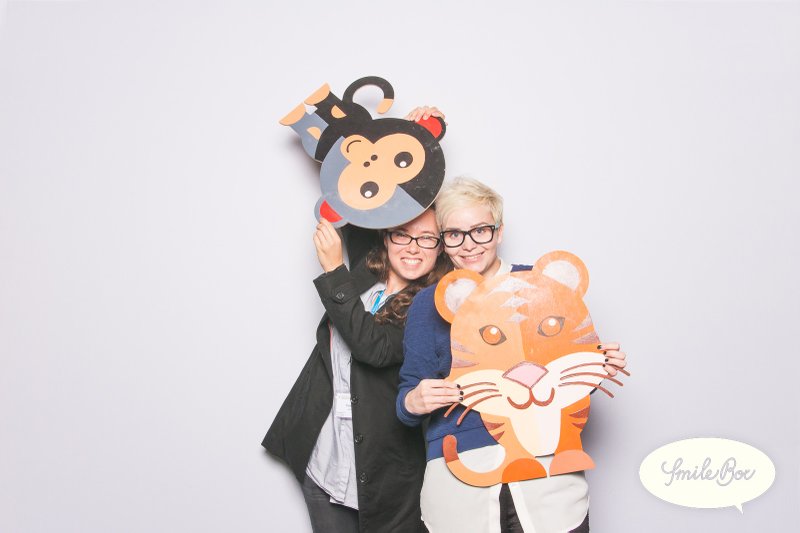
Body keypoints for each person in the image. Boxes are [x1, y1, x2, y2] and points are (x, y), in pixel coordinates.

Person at [396, 177, 627, 533]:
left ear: (499, 231)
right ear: (443, 240)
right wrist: (414, 400)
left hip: (547, 471)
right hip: (461, 477)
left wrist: (597, 367)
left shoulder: (541, 287)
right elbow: (406, 401)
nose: (469, 244)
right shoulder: (428, 304)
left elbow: (567, 383)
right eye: (455, 234)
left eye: (480, 231)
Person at [263, 105, 451, 533]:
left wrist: (333, 270)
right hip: (322, 457)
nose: (413, 247)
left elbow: (373, 347)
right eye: (402, 234)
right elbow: (363, 183)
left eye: (427, 238)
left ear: (441, 247)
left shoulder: (434, 307)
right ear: (387, 236)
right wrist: (418, 135)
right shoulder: (368, 269)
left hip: (381, 471)